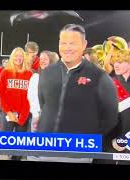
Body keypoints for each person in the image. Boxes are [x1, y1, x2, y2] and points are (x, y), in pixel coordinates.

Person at [37, 24, 118, 163]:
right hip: (46, 147)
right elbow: (44, 104)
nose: (67, 48)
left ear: (84, 44)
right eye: (63, 43)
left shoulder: (99, 76)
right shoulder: (47, 73)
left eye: (72, 43)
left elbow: (111, 117)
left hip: (79, 152)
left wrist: (88, 140)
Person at [27, 51, 58, 132]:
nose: (42, 61)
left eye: (45, 59)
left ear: (51, 61)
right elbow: (31, 97)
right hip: (37, 115)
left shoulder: (58, 77)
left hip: (53, 116)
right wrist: (36, 114)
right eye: (41, 59)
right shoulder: (35, 77)